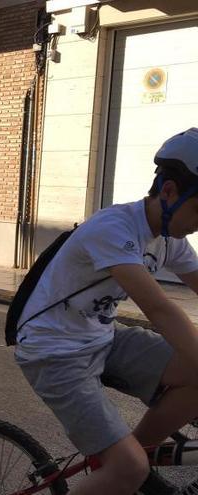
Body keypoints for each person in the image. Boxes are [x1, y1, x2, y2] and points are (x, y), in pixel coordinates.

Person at [14, 128, 198, 494]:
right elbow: (160, 310)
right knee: (129, 467)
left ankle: (125, 461)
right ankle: (126, 466)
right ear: (170, 191)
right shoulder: (114, 228)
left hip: (102, 337)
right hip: (54, 352)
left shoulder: (169, 239)